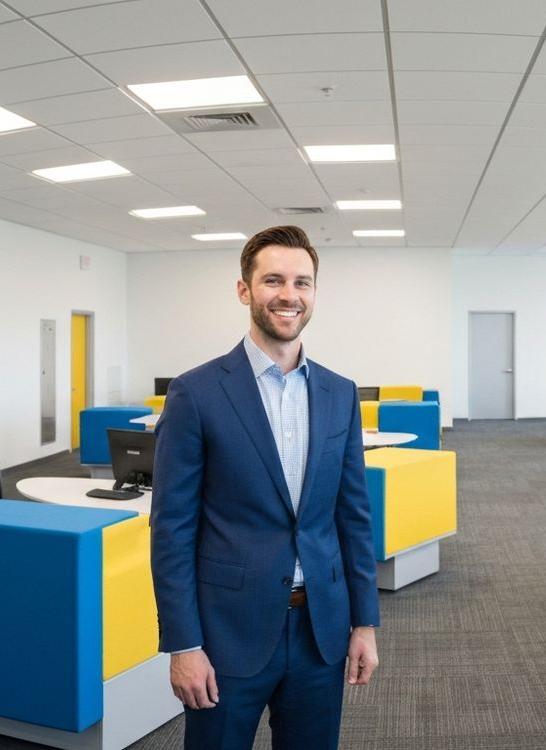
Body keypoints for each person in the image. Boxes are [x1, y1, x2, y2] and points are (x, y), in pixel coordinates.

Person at [150, 225, 380, 750]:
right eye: (273, 279)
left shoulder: (339, 392)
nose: (289, 295)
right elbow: (171, 530)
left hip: (320, 630)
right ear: (244, 290)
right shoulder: (197, 393)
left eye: (303, 282)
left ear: (314, 293)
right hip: (227, 635)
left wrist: (364, 622)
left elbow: (353, 518)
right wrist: (183, 643)